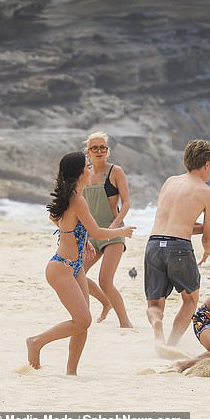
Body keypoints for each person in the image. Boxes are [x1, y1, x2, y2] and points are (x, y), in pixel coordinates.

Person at [26, 151, 135, 375]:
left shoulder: (73, 196)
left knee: (83, 322)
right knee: (83, 320)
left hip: (74, 267)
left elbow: (58, 219)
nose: (91, 168)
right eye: (88, 165)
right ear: (80, 172)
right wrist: (121, 230)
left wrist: (81, 239)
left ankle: (71, 372)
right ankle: (36, 342)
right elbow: (96, 230)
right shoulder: (77, 199)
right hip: (62, 267)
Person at [144, 139, 210, 354]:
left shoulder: (170, 182)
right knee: (190, 300)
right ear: (206, 163)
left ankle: (157, 327)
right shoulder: (208, 193)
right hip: (179, 248)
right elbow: (207, 237)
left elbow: (177, 222)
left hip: (153, 245)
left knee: (154, 305)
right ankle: (171, 345)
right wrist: (207, 251)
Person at [82, 132, 133, 327]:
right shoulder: (85, 172)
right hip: (92, 233)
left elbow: (126, 202)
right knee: (77, 273)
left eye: (103, 147)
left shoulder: (115, 171)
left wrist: (115, 225)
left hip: (113, 233)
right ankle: (105, 302)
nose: (99, 151)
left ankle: (125, 323)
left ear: (107, 150)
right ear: (88, 151)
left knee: (105, 280)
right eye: (95, 148)